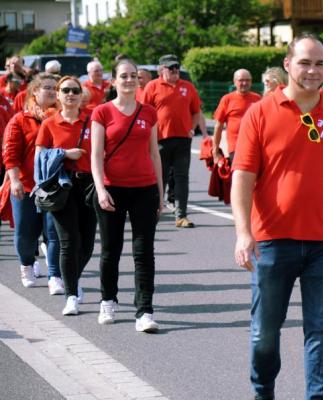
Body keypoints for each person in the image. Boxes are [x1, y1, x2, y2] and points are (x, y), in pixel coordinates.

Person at [231, 34, 323, 400]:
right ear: (288, 64)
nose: (313, 71)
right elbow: (243, 176)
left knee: (321, 331)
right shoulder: (260, 112)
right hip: (273, 240)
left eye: (320, 64)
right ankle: (262, 392)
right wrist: (243, 232)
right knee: (265, 333)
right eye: (304, 62)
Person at [90, 60, 162, 333]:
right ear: (113, 81)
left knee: (144, 253)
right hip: (112, 189)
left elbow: (155, 153)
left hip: (145, 189)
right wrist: (100, 189)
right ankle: (108, 300)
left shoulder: (149, 112)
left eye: (133, 76)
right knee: (111, 249)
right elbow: (96, 156)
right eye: (124, 76)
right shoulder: (102, 112)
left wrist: (160, 192)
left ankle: (144, 311)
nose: (129, 80)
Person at [36, 75, 96, 315]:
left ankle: (72, 277)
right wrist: (64, 154)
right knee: (68, 242)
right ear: (58, 96)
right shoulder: (49, 123)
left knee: (88, 244)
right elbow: (39, 157)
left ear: (81, 95)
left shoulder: (92, 121)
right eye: (65, 90)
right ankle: (71, 294)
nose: (70, 94)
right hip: (62, 187)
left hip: (90, 184)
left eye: (74, 90)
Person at [3, 73, 62, 290]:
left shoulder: (62, 118)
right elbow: (10, 153)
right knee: (26, 233)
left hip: (54, 187)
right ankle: (27, 263)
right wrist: (15, 180)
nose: (52, 91)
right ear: (34, 91)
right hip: (26, 186)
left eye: (55, 88)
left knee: (53, 232)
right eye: (46, 87)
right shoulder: (20, 119)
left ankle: (55, 275)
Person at [142, 54, 205, 228]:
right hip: (160, 139)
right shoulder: (152, 86)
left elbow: (196, 111)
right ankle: (153, 212)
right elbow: (143, 112)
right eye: (171, 68)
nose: (175, 70)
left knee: (181, 177)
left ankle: (181, 215)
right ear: (161, 70)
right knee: (157, 177)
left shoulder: (188, 87)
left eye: (177, 67)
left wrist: (192, 128)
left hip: (183, 139)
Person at [212, 69, 261, 164]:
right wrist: (215, 150)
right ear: (234, 82)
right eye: (241, 80)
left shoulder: (257, 98)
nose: (244, 83)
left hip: (255, 146)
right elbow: (218, 126)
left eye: (248, 80)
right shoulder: (227, 99)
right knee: (239, 176)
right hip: (236, 148)